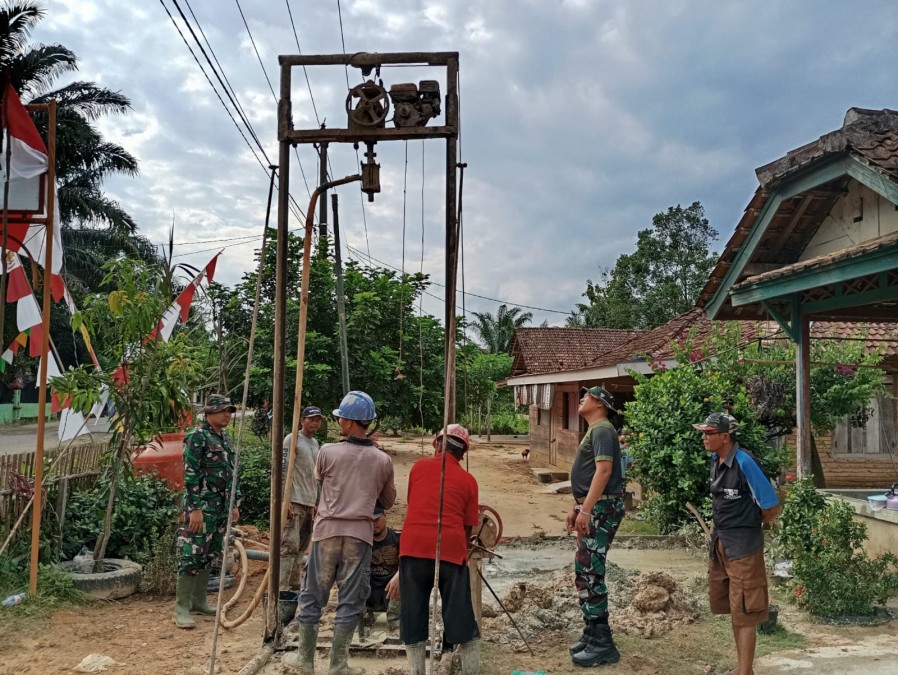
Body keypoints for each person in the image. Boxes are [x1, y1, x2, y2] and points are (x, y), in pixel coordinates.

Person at [284, 391, 396, 675]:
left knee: (313, 595)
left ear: (348, 422)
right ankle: (338, 665)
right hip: (359, 536)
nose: (338, 422)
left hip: (326, 532)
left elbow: (320, 482)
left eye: (340, 418)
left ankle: (305, 661)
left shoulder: (327, 452)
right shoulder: (382, 460)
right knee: (350, 599)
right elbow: (387, 501)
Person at [693, 412, 780, 675]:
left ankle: (744, 672)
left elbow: (771, 507)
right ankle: (742, 669)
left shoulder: (744, 462)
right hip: (722, 545)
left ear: (725, 436)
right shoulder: (715, 460)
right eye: (703, 432)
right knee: (734, 608)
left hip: (743, 549)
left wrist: (747, 525)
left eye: (709, 433)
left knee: (746, 610)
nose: (704, 437)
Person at [391, 424, 481, 675]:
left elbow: (414, 503)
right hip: (450, 550)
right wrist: (459, 549)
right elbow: (468, 526)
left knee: (413, 613)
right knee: (461, 615)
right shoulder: (469, 481)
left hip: (412, 548)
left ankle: (416, 671)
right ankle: (471, 669)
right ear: (463, 453)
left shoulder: (419, 468)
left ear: (437, 444)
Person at [566, 386, 625, 667]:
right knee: (584, 569)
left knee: (591, 571)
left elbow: (604, 471)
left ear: (600, 404)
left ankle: (603, 643)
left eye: (587, 396)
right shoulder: (596, 429)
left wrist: (586, 510)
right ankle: (592, 632)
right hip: (593, 507)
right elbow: (590, 474)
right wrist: (577, 507)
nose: (581, 399)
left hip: (602, 508)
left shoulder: (602, 429)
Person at [173, 394, 240, 629]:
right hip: (202, 507)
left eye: (229, 410)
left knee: (209, 554)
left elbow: (230, 473)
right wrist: (195, 509)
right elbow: (190, 473)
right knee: (192, 553)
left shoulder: (224, 439)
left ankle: (199, 601)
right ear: (208, 413)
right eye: (222, 410)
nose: (227, 414)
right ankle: (181, 607)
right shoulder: (197, 436)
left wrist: (233, 504)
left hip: (220, 507)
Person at [280, 406, 323, 592]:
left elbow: (317, 475)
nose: (314, 423)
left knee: (301, 547)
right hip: (295, 500)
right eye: (310, 419)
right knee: (289, 545)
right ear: (302, 421)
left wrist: (317, 502)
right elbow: (283, 469)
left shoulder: (315, 443)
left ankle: (294, 584)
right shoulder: (292, 439)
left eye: (317, 420)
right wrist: (285, 500)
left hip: (309, 501)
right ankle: (280, 588)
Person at [365, 506, 400, 632]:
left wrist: (399, 577)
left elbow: (407, 564)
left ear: (385, 515)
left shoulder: (397, 538)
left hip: (391, 587)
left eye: (376, 519)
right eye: (370, 520)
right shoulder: (363, 540)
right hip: (369, 587)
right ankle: (364, 617)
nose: (374, 523)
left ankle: (395, 621)